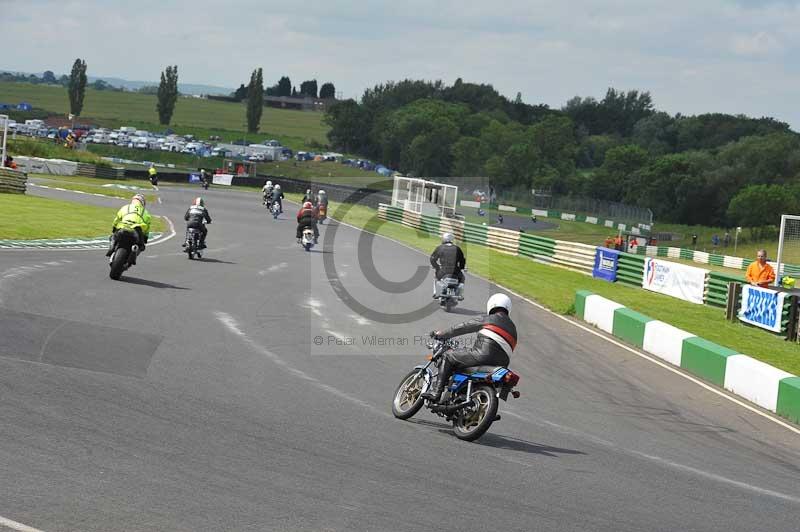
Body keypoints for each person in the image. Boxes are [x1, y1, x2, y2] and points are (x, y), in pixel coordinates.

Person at [422, 293, 517, 403]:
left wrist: (441, 334)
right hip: (501, 364)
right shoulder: (513, 328)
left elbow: (461, 328)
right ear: (508, 308)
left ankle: (435, 393)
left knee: (448, 356)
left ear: (491, 305)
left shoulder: (488, 319)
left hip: (482, 355)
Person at [106, 194, 152, 263]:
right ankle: (134, 252)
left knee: (113, 236)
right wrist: (145, 237)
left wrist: (114, 228)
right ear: (142, 203)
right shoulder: (146, 213)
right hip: (137, 230)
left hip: (123, 227)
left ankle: (112, 246)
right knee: (142, 246)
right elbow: (147, 227)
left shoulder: (125, 207)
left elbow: (117, 219)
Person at [429, 233, 466, 298]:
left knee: (436, 277)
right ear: (452, 240)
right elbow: (462, 260)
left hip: (443, 271)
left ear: (443, 239)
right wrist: (461, 268)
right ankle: (460, 294)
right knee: (462, 278)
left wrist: (437, 267)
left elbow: (432, 259)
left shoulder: (440, 248)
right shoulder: (457, 248)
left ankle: (435, 293)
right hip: (456, 271)